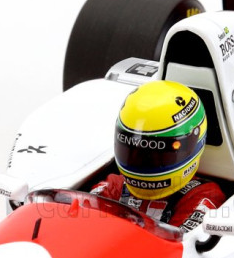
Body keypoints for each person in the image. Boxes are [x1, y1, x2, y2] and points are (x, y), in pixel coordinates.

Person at [90, 80, 225, 232]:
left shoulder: (204, 194)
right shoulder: (115, 185)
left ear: (193, 144)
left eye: (159, 154)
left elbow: (178, 245)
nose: (143, 163)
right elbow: (82, 224)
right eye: (133, 151)